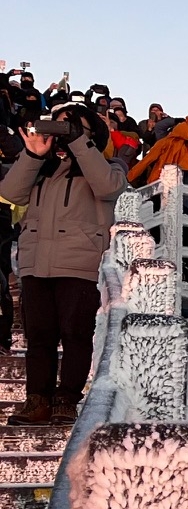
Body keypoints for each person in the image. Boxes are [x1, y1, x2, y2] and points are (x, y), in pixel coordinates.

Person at [0, 105, 125, 424]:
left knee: (75, 333)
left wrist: (78, 142)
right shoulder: (38, 166)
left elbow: (109, 187)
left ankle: (66, 399)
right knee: (38, 335)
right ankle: (37, 400)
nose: (63, 131)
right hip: (34, 262)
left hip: (79, 262)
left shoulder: (107, 166)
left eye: (73, 126)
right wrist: (33, 154)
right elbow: (10, 192)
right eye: (58, 126)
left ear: (92, 133)